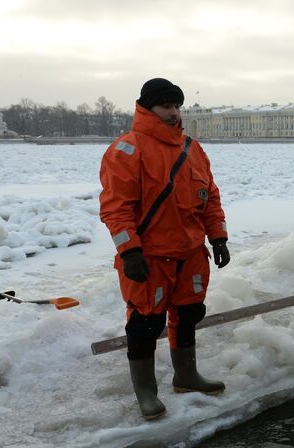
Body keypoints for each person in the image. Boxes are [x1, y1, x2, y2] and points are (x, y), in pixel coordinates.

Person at [99, 78, 230, 420]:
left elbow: (210, 198)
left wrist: (218, 237)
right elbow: (116, 208)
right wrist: (129, 252)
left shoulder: (193, 149)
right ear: (147, 108)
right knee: (144, 323)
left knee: (188, 315)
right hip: (150, 256)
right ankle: (146, 391)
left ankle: (186, 376)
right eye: (166, 106)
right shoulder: (127, 150)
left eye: (176, 106)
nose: (173, 113)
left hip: (190, 254)